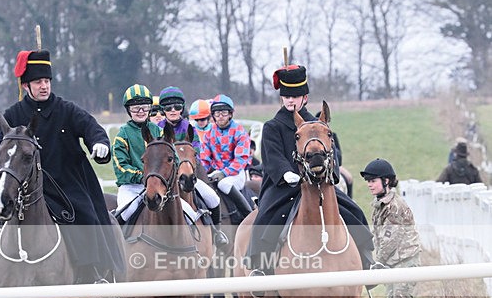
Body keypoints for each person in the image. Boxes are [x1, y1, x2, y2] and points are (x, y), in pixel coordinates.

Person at [0, 48, 123, 288]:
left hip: (66, 184)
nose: (44, 86)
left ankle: (95, 273)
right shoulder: (12, 115)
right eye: (37, 82)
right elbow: (4, 154)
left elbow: (91, 127)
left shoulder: (67, 109)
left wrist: (100, 143)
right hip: (25, 187)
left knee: (86, 214)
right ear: (26, 86)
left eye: (46, 81)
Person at [244, 64, 373, 274]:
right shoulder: (272, 127)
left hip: (319, 184)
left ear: (305, 97)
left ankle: (367, 260)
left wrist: (330, 173)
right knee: (266, 218)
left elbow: (332, 154)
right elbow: (272, 156)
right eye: (286, 96)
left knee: (354, 211)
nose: (290, 100)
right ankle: (261, 268)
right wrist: (287, 173)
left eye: (295, 96)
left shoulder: (318, 125)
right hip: (283, 186)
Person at [360, 158, 421, 298]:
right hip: (393, 264)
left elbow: (388, 241)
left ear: (386, 181)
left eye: (373, 180)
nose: (369, 184)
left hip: (404, 262)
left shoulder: (393, 207)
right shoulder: (380, 204)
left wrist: (376, 264)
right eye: (368, 180)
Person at [158, 86, 228, 246]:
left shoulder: (189, 127)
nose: (173, 110)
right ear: (163, 110)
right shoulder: (158, 129)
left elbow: (196, 148)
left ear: (182, 108)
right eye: (168, 107)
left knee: (213, 198)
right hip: (166, 178)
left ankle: (217, 233)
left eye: (177, 107)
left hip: (189, 172)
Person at [111, 84, 161, 226]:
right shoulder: (122, 135)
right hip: (132, 187)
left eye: (144, 106)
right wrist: (142, 176)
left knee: (185, 210)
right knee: (127, 212)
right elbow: (121, 167)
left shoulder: (159, 131)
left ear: (150, 108)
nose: (140, 111)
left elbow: (172, 157)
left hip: (159, 185)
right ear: (128, 110)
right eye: (135, 107)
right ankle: (118, 243)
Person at [199, 94, 253, 218]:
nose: (220, 117)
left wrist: (224, 173)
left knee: (224, 184)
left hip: (236, 174)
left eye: (224, 113)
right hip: (216, 172)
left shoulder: (239, 132)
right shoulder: (209, 134)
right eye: (217, 114)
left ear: (230, 114)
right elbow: (204, 159)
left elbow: (241, 159)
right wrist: (203, 173)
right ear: (213, 116)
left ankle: (247, 215)